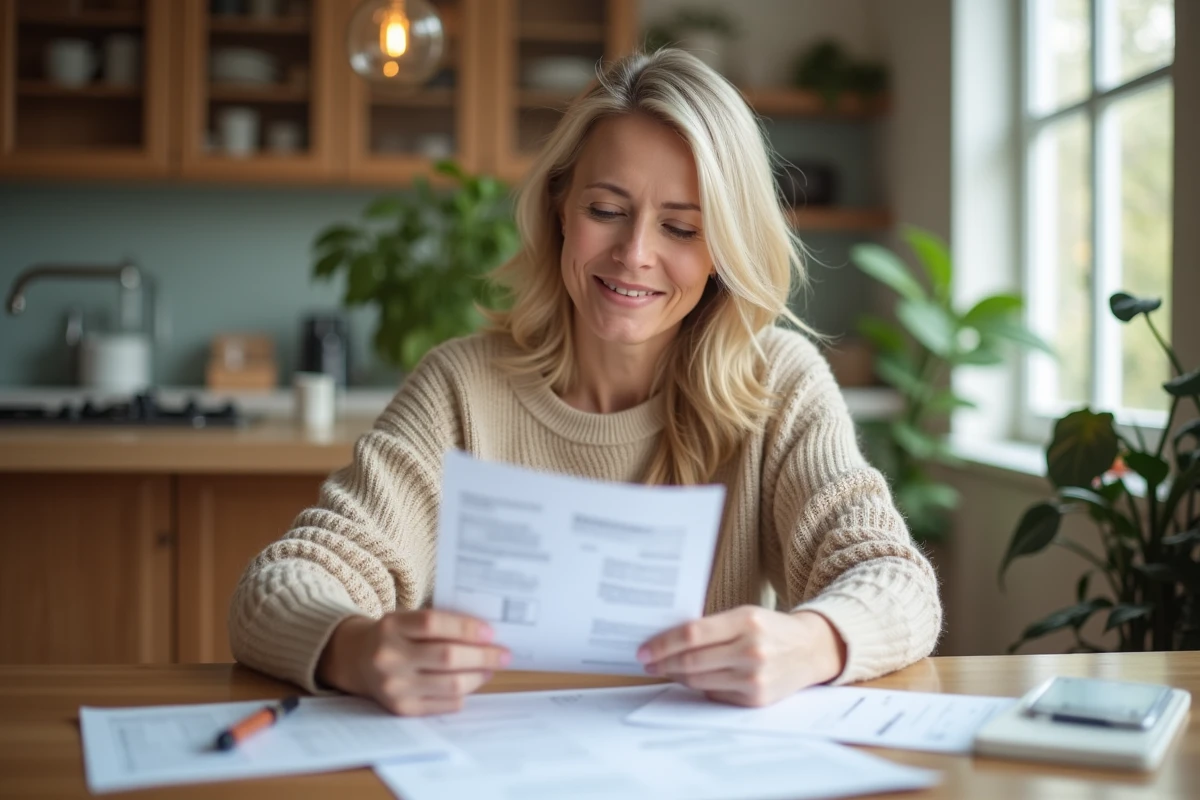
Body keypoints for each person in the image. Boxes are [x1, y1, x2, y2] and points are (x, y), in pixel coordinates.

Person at [228, 48, 941, 717]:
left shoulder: (779, 383)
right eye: (606, 211)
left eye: (682, 229)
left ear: (725, 250)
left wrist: (811, 642)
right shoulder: (460, 387)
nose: (635, 255)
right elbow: (278, 585)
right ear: (559, 211)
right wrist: (355, 648)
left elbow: (898, 582)